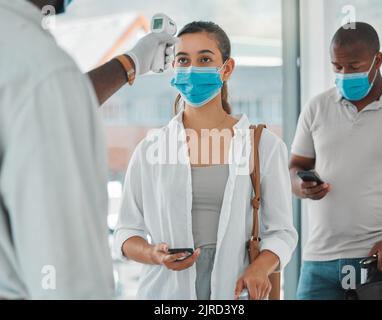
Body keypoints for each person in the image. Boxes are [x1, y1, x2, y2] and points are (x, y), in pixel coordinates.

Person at [0, 0, 176, 299]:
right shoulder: (43, 70)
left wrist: (131, 62)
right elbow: (66, 278)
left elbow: (51, 104)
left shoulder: (24, 59)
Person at [114, 21, 298, 300]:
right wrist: (153, 254)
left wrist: (260, 268)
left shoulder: (264, 147)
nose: (192, 69)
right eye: (183, 60)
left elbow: (283, 232)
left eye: (205, 59)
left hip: (234, 292)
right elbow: (126, 232)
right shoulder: (150, 149)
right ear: (173, 68)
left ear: (227, 68)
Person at [290, 22, 382, 300]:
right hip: (318, 262)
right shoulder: (317, 106)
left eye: (354, 66)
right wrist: (300, 185)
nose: (344, 74)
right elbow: (296, 166)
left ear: (378, 60)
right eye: (337, 67)